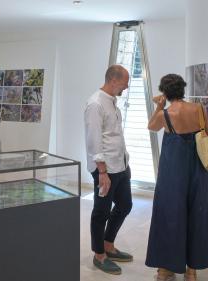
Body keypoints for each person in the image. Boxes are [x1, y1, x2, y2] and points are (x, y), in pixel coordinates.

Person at [145, 74, 208, 281]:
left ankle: (164, 270)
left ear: (165, 93)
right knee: (197, 215)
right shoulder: (198, 109)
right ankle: (192, 272)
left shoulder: (165, 114)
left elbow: (151, 126)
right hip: (198, 170)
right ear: (183, 89)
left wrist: (159, 106)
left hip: (173, 172)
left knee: (169, 215)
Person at [84, 65, 133, 275]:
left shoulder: (112, 102)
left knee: (125, 205)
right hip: (105, 170)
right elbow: (93, 140)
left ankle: (108, 244)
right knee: (101, 212)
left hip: (120, 165)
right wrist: (102, 172)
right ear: (113, 80)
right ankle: (99, 254)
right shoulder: (95, 104)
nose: (127, 86)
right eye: (125, 83)